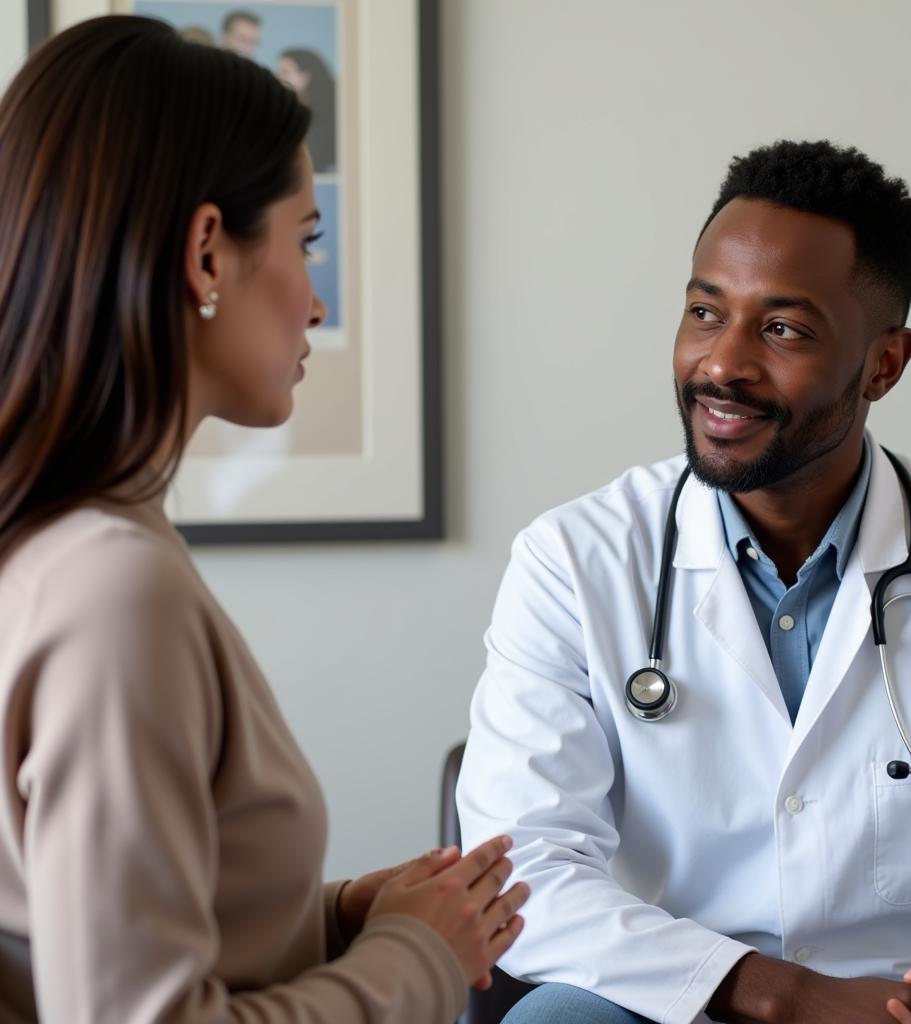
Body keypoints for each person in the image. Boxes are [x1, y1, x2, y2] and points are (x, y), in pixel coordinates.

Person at [0, 16, 527, 1023]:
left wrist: (336, 919)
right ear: (207, 252)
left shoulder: (64, 547)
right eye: (307, 241)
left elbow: (84, 931)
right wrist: (417, 957)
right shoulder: (111, 589)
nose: (317, 304)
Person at [457, 139, 911, 1024]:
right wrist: (786, 995)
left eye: (783, 329)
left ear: (885, 362)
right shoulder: (574, 559)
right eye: (704, 312)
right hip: (672, 996)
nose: (722, 364)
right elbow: (518, 871)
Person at [277, 48, 338, 174]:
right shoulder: (286, 113)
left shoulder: (325, 118)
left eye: (285, 72)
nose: (278, 78)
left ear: (306, 76)